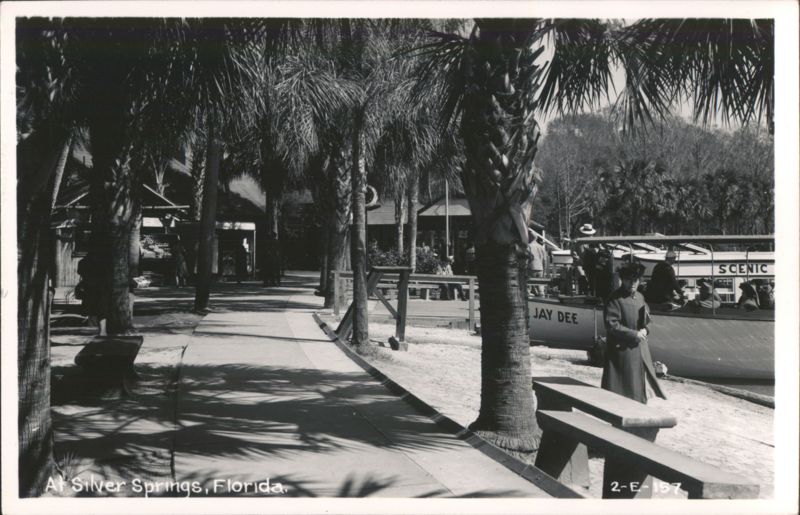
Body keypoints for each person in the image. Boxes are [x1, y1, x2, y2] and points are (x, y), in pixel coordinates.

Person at [601, 262, 666, 404]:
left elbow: (648, 319)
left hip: (639, 350)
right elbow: (611, 325)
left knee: (638, 386)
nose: (632, 283)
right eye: (628, 279)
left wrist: (645, 329)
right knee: (620, 389)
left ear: (639, 281)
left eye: (635, 280)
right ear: (622, 280)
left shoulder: (640, 297)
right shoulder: (614, 299)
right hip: (621, 351)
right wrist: (633, 334)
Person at [76, 251, 109, 335]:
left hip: (89, 288)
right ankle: (102, 331)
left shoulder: (83, 262)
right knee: (101, 310)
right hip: (100, 288)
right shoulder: (103, 261)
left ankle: (94, 330)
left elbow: (80, 272)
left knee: (91, 310)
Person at [528, 229, 546, 296]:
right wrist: (543, 269)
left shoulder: (528, 246)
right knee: (540, 285)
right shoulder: (541, 247)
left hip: (531, 267)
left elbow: (527, 258)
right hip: (540, 268)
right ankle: (541, 295)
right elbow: (544, 259)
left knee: (528, 285)